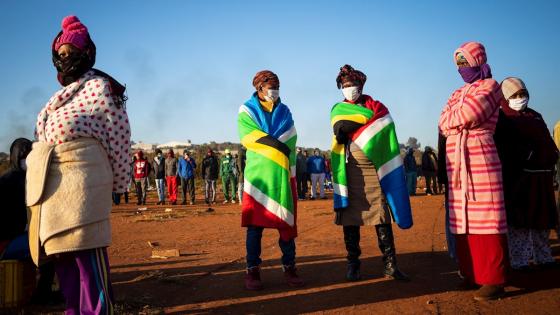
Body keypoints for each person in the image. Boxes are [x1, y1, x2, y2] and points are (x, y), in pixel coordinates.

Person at [26, 16, 131, 313]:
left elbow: (120, 138)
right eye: (60, 54)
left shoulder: (102, 88)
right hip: (53, 195)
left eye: (72, 51)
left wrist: (120, 185)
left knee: (88, 264)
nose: (66, 57)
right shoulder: (55, 98)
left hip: (84, 192)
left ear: (87, 53)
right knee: (66, 266)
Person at [438, 42, 508, 301]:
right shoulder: (457, 92)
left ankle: (493, 279)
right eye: (458, 63)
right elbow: (442, 121)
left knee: (487, 219)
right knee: (462, 220)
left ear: (478, 60)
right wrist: (457, 119)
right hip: (456, 160)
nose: (461, 68)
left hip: (480, 157)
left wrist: (455, 119)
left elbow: (473, 112)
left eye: (465, 62)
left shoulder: (492, 86)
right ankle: (470, 274)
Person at [331, 64, 412, 282]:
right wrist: (366, 119)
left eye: (353, 84)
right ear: (341, 87)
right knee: (351, 218)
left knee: (381, 216)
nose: (350, 88)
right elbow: (339, 128)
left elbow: (384, 125)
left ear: (361, 85)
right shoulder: (338, 108)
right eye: (345, 85)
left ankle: (390, 264)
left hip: (377, 170)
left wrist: (357, 122)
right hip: (351, 171)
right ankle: (353, 264)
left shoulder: (377, 106)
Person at [238, 70, 304, 290]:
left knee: (285, 222)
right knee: (255, 226)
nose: (274, 91)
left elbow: (291, 135)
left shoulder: (284, 110)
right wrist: (276, 145)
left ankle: (289, 266)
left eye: (277, 87)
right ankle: (252, 271)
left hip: (282, 175)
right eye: (270, 87)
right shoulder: (247, 110)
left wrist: (278, 144)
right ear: (259, 87)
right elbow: (248, 137)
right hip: (259, 178)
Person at [494, 77, 559, 270]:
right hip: (518, 180)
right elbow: (507, 149)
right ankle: (519, 261)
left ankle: (543, 257)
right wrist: (531, 155)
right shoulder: (502, 119)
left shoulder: (536, 116)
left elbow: (549, 144)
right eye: (515, 95)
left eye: (523, 94)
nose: (520, 98)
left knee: (542, 221)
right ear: (505, 97)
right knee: (519, 222)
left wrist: (550, 155)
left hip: (542, 178)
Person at [0, 138, 62, 305]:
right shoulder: (21, 181)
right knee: (50, 246)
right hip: (7, 243)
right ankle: (43, 294)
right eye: (25, 157)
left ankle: (40, 290)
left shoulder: (8, 178)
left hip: (11, 239)